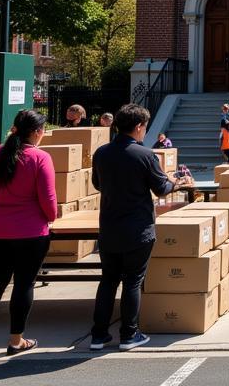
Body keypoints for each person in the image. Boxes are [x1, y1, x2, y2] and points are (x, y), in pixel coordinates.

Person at [90, 104, 192, 352]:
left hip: (109, 226)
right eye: (144, 127)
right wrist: (178, 183)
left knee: (108, 280)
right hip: (137, 228)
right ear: (138, 127)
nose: (145, 132)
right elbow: (161, 189)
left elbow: (97, 184)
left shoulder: (101, 153)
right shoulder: (146, 155)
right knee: (133, 281)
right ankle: (129, 334)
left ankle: (98, 335)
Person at [0, 110, 57, 357]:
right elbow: (48, 198)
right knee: (24, 284)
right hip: (31, 231)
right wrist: (52, 218)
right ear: (37, 132)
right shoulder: (40, 157)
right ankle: (16, 340)